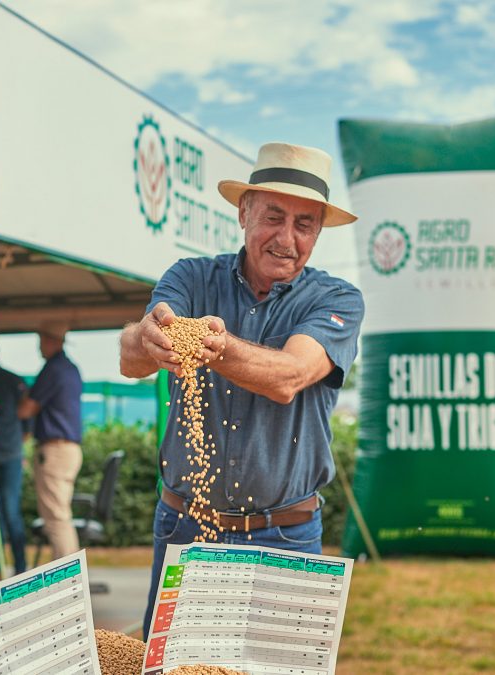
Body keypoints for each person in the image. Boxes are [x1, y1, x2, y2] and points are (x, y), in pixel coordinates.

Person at [119, 142, 364, 637]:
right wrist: (147, 337)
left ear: (318, 232)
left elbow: (289, 377)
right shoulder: (190, 277)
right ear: (243, 212)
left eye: (304, 224)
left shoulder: (337, 298)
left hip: (286, 536)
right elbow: (131, 357)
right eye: (273, 217)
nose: (286, 238)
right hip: (187, 528)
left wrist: (215, 345)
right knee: (174, 666)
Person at [18, 321, 84, 560]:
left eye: (41, 340)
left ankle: (68, 575)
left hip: (55, 450)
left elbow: (25, 410)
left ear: (50, 341)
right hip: (68, 450)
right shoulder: (70, 368)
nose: (39, 347)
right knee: (60, 515)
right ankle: (70, 572)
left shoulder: (53, 369)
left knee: (56, 518)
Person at [0, 341, 30, 576]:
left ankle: (21, 569)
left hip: (9, 457)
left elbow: (27, 422)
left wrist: (17, 446)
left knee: (10, 511)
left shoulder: (12, 381)